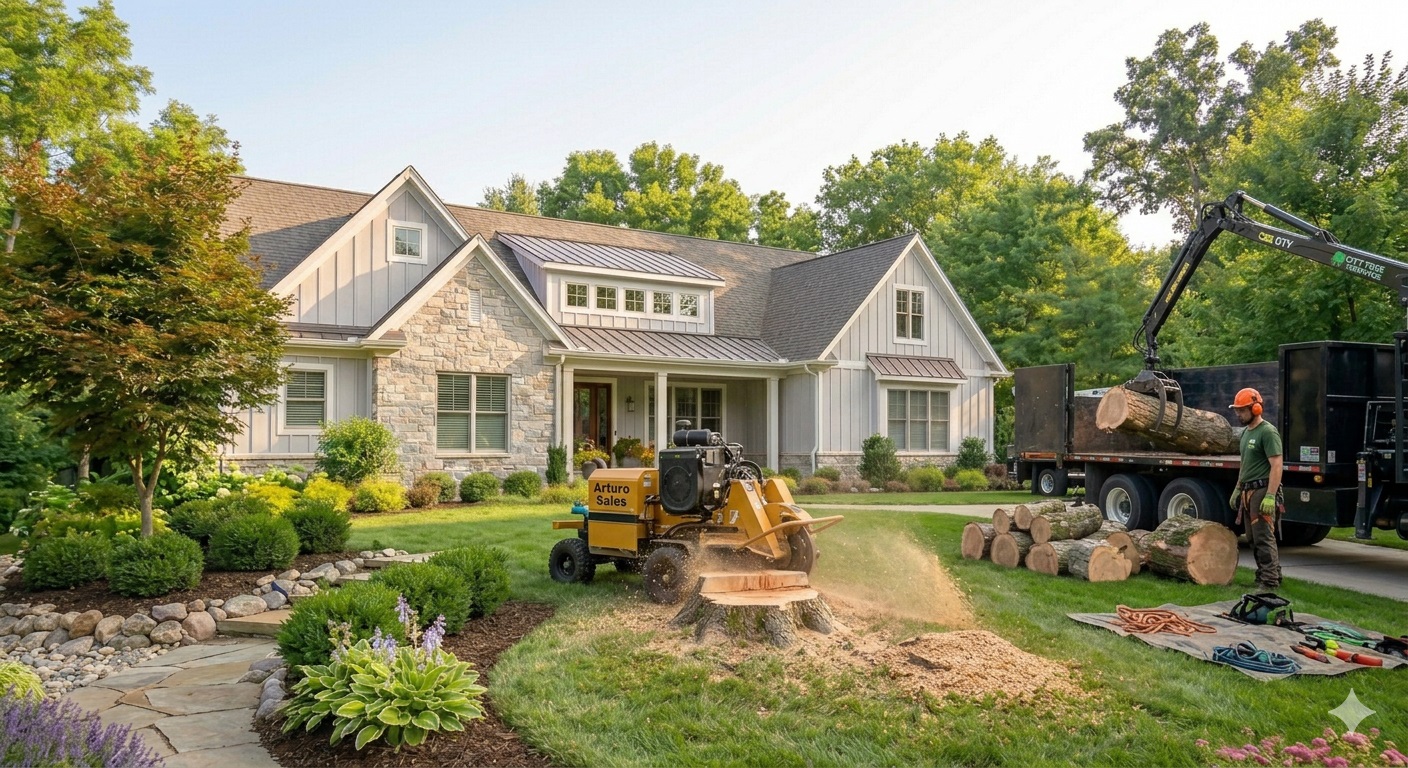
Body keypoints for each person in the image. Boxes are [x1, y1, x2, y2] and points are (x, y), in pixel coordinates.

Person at [1227, 388, 1283, 591]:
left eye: (1242, 410)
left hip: (1262, 490)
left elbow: (1277, 464)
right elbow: (1245, 464)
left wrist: (1270, 495)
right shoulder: (1245, 434)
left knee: (1263, 536)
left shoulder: (1267, 432)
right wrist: (1237, 488)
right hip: (1247, 490)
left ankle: (1269, 581)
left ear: (1255, 408)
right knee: (1251, 537)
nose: (1238, 414)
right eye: (1237, 410)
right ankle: (1268, 573)